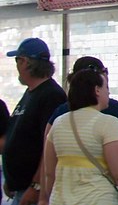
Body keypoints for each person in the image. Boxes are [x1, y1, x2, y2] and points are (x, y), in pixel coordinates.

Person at [46, 56, 118, 203]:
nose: (108, 93)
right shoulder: (108, 123)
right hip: (98, 198)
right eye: (106, 88)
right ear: (97, 90)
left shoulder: (58, 123)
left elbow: (49, 172)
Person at [2, 38, 67, 205]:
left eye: (17, 61)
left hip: (33, 190)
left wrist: (37, 186)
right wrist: (11, 180)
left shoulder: (51, 96)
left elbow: (49, 146)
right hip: (20, 187)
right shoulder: (31, 93)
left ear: (24, 62)